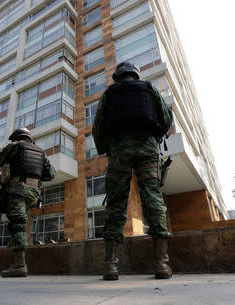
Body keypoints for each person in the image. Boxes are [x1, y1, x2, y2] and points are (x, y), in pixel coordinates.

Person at [92, 62, 174, 281]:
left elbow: (97, 127)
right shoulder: (148, 88)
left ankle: (110, 265)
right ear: (136, 74)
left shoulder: (109, 93)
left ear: (117, 77)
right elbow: (166, 117)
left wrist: (108, 150)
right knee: (153, 197)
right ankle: (162, 263)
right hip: (147, 148)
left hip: (119, 150)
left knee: (116, 202)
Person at [0, 127, 55, 277]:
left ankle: (19, 264)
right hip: (34, 193)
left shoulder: (14, 146)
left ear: (17, 137)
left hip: (18, 190)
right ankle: (16, 244)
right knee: (18, 221)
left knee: (18, 225)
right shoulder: (41, 152)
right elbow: (51, 174)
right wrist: (34, 176)